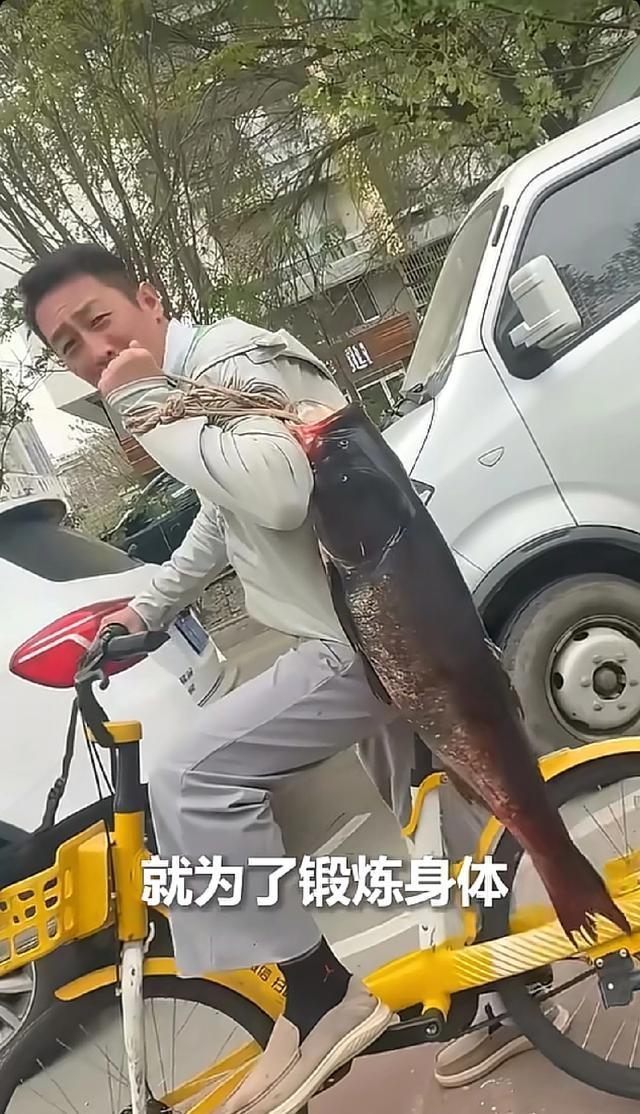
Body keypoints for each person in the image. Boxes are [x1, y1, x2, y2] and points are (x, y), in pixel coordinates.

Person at [20, 244, 568, 1104]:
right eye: (69, 346)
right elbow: (226, 511)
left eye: (101, 321)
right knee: (434, 812)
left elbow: (277, 491)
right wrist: (148, 610)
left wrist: (141, 404)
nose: (94, 353)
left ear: (151, 302)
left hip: (361, 638)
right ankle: (505, 990)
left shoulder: (225, 364)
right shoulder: (191, 379)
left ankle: (318, 992)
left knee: (192, 776)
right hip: (368, 628)